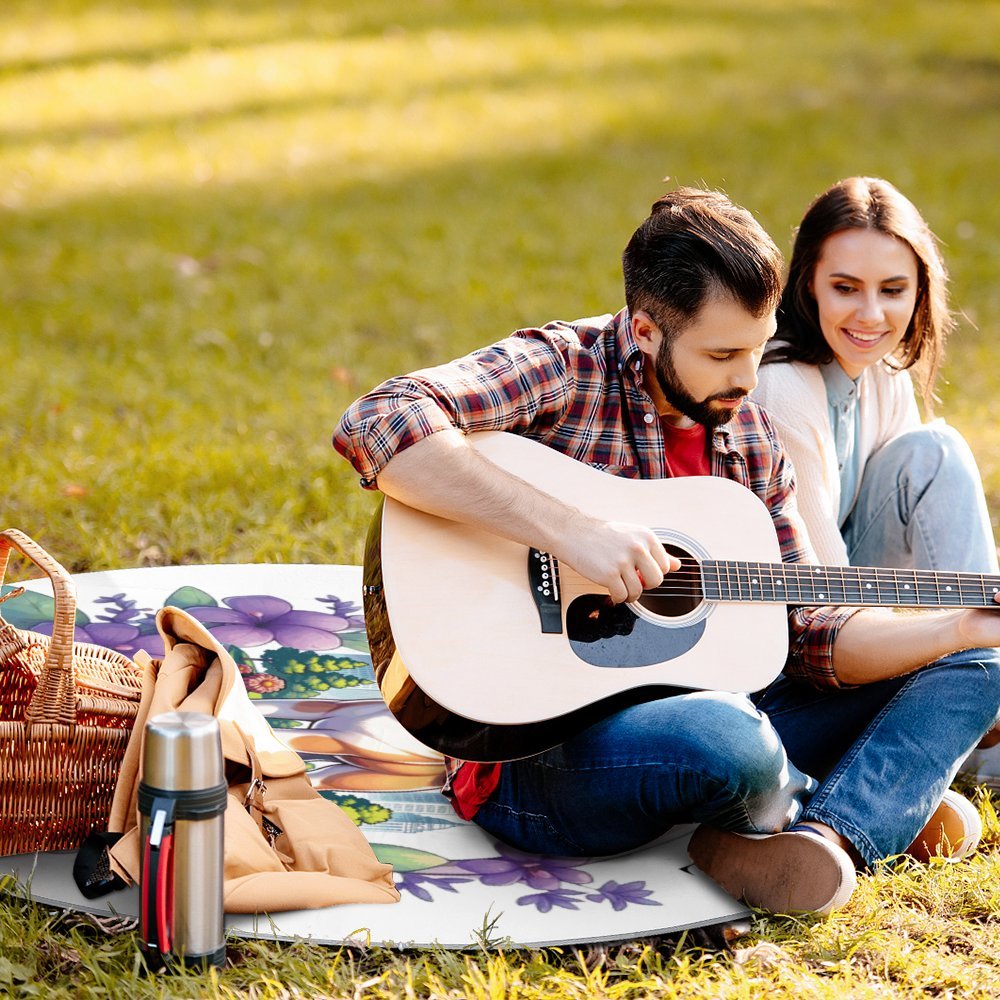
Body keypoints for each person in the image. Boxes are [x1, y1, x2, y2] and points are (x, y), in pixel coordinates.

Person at [333, 187, 1000, 916]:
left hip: (724, 709)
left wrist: (957, 628)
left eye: (757, 346)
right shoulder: (564, 367)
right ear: (646, 330)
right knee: (729, 742)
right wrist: (569, 531)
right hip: (537, 755)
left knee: (980, 665)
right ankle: (859, 795)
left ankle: (830, 836)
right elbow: (380, 419)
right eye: (722, 354)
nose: (748, 380)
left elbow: (809, 629)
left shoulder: (748, 436)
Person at [753, 176, 1000, 787]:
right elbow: (823, 602)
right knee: (937, 450)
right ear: (807, 281)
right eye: (845, 288)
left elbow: (920, 550)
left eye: (893, 290)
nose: (871, 315)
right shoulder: (783, 386)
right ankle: (977, 726)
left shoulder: (882, 369)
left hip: (856, 611)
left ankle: (979, 693)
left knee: (931, 451)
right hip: (793, 646)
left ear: (920, 291)